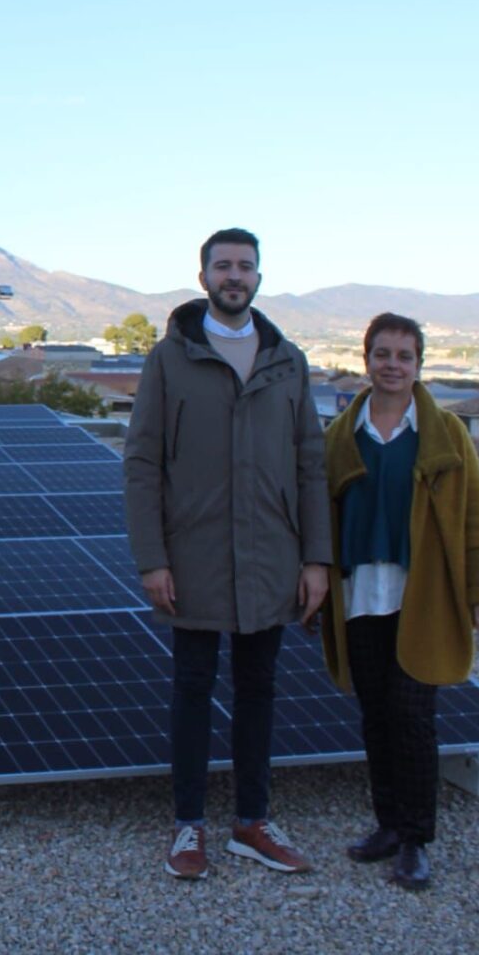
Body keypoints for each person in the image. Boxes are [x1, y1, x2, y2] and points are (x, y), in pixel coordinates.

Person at [124, 227, 331, 880]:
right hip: (194, 558)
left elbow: (310, 464)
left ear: (259, 278)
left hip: (272, 557)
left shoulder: (287, 361)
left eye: (244, 266)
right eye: (223, 266)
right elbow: (142, 463)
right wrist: (152, 558)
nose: (234, 276)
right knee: (192, 688)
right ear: (204, 277)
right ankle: (188, 826)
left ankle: (251, 822)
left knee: (259, 690)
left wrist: (317, 559)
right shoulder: (169, 359)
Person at [308, 312, 479, 892]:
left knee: (413, 717)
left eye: (404, 356)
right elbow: (316, 517)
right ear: (365, 360)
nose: (393, 365)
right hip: (360, 594)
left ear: (419, 364)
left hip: (424, 597)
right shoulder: (340, 436)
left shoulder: (446, 434)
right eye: (383, 354)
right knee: (375, 715)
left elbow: (476, 520)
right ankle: (388, 824)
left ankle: (416, 838)